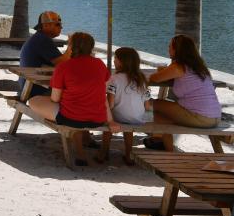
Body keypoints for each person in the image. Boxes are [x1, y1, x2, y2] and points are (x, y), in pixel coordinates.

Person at [27, 31, 111, 167]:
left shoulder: (64, 67)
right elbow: (103, 88)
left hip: (72, 117)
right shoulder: (100, 64)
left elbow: (55, 99)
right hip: (98, 118)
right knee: (77, 106)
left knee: (33, 100)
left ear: (71, 47)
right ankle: (84, 143)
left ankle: (80, 152)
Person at [145, 34, 221, 151]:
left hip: (200, 117)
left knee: (157, 104)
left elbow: (155, 78)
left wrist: (162, 70)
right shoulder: (199, 67)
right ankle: (160, 140)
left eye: (170, 46)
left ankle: (166, 146)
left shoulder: (179, 66)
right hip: (215, 116)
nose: (168, 48)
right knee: (161, 110)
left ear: (177, 50)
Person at [101, 46, 152, 165]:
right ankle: (129, 154)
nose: (114, 61)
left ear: (122, 62)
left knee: (109, 120)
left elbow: (111, 104)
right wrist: (149, 119)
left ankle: (103, 152)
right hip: (137, 119)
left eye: (116, 58)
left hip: (119, 118)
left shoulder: (114, 79)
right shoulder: (142, 79)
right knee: (128, 122)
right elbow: (148, 105)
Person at [19, 11, 69, 97]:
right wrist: (72, 45)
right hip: (35, 88)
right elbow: (63, 64)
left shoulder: (39, 37)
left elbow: (60, 60)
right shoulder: (43, 40)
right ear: (45, 25)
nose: (61, 27)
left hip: (29, 85)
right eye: (57, 24)